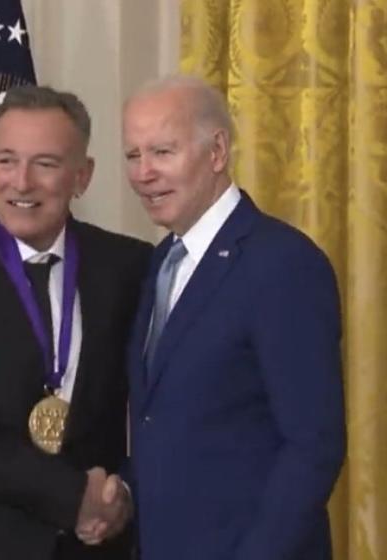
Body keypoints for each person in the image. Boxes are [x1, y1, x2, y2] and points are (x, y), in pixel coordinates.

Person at [0, 85, 149, 560]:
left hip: (94, 546)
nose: (21, 182)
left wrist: (123, 499)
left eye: (46, 164)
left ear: (83, 176)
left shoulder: (129, 267)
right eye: (6, 160)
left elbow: (156, 406)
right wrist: (72, 496)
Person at [119, 75, 346, 559]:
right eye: (133, 156)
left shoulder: (282, 263)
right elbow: (167, 422)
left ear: (217, 152)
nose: (143, 173)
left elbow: (313, 446)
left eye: (161, 152)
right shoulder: (161, 262)